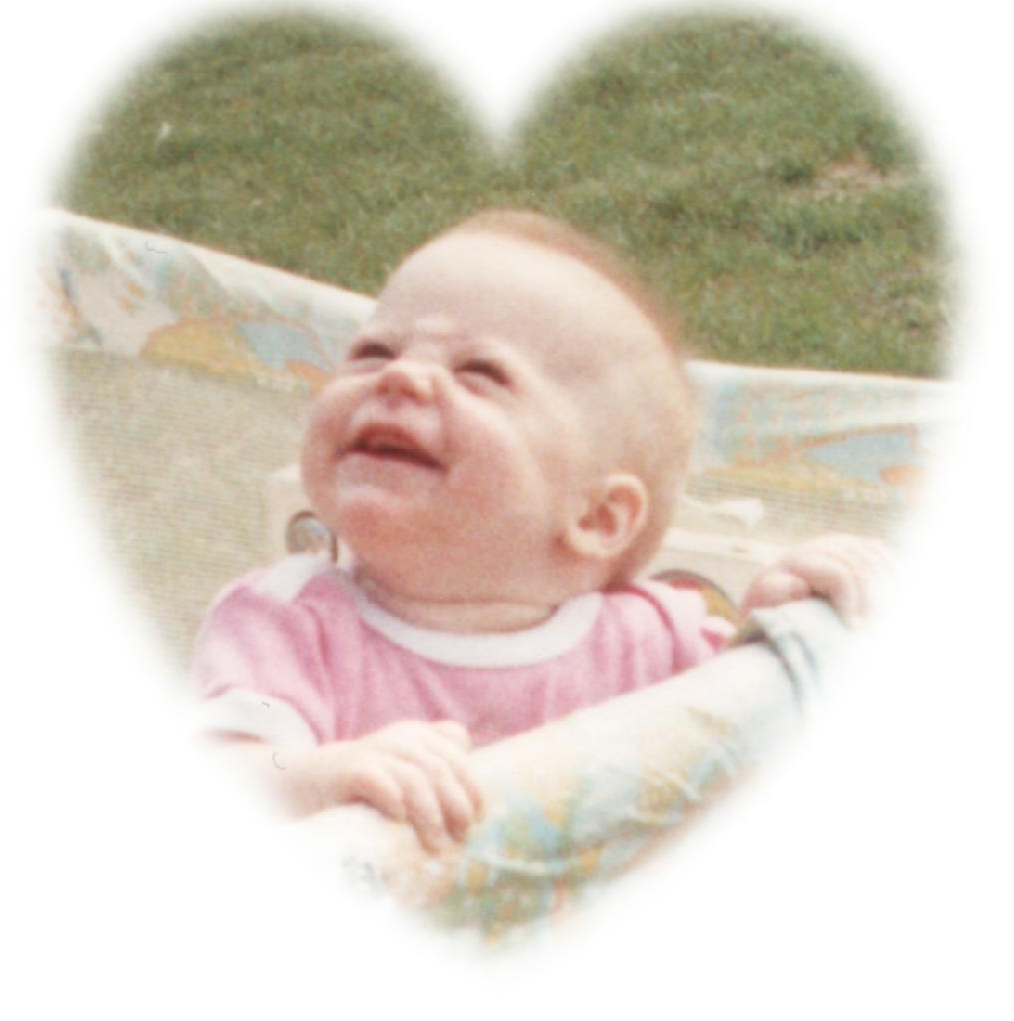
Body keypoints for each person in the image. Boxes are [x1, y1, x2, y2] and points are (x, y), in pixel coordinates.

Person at [192, 209, 890, 853]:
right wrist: (320, 775)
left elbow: (752, 740)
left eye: (480, 372)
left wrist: (781, 623)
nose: (401, 375)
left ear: (595, 518)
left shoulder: (655, 640)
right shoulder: (285, 622)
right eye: (373, 350)